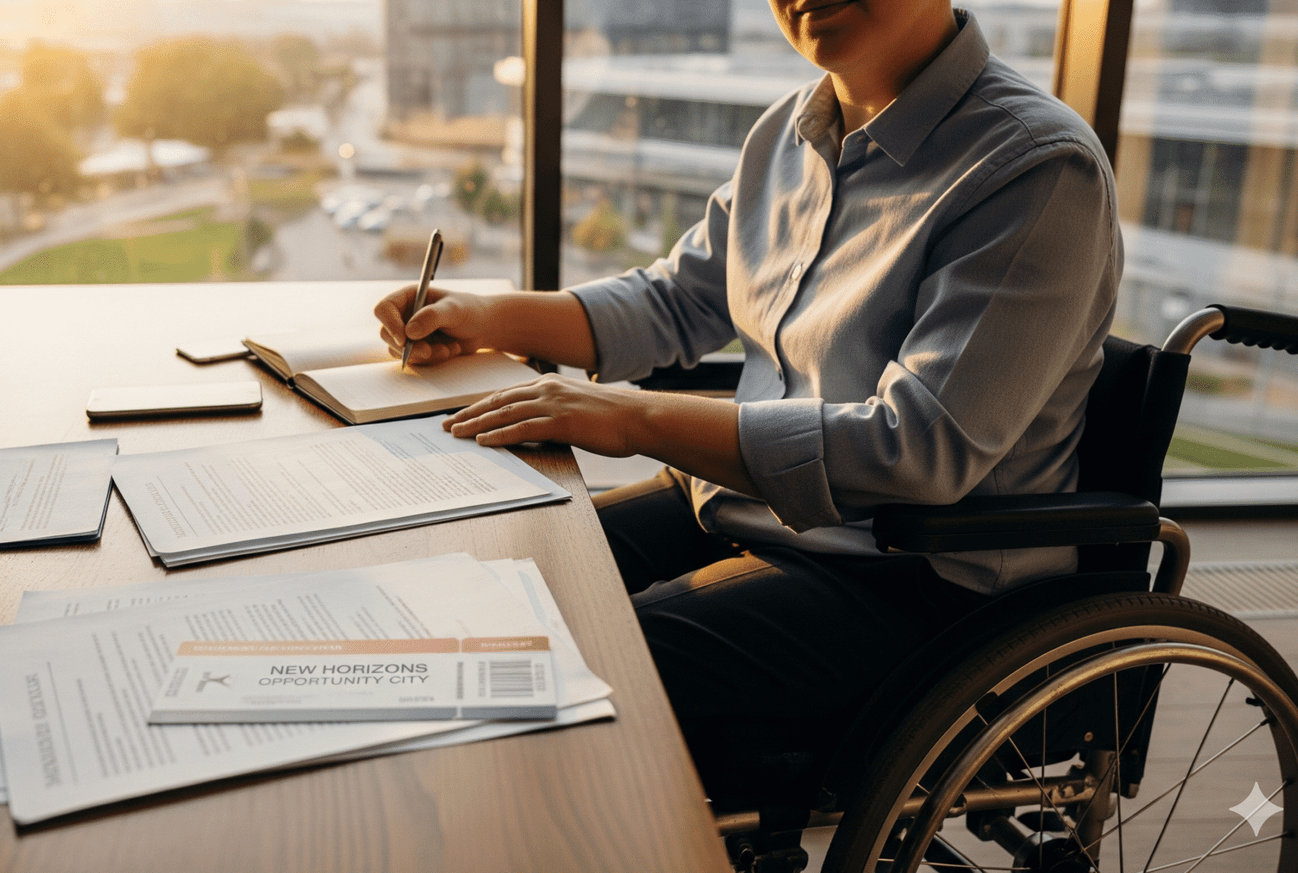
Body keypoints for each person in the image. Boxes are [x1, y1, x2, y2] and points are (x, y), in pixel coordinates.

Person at [375, 0, 1120, 808]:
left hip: (906, 572)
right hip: (743, 504)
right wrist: (488, 317)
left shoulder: (1036, 167)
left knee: (560, 653)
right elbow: (676, 303)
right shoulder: (790, 132)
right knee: (490, 577)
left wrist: (635, 421)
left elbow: (920, 447)